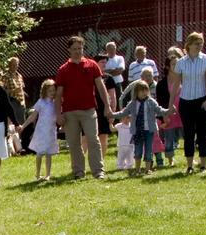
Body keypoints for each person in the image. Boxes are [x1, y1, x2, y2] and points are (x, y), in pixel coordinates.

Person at [55, 35, 111, 179]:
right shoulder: (63, 69)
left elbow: (100, 86)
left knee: (93, 139)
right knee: (74, 144)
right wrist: (58, 114)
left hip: (89, 110)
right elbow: (59, 93)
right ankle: (79, 172)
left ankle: (98, 171)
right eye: (74, 49)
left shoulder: (92, 65)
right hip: (69, 112)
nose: (78, 51)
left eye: (80, 48)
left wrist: (107, 106)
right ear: (69, 50)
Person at [170, 32, 206, 173]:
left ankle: (203, 164)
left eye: (201, 43)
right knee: (188, 134)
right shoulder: (181, 62)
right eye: (196, 43)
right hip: (186, 101)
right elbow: (176, 84)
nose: (199, 46)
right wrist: (171, 103)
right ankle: (189, 165)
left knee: (202, 132)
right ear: (189, 45)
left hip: (202, 100)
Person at [110, 80, 171, 175]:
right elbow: (123, 112)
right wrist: (112, 115)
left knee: (148, 150)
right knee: (137, 151)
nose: (144, 93)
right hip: (137, 131)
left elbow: (159, 110)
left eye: (146, 90)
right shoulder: (133, 103)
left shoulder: (151, 102)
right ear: (136, 92)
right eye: (141, 91)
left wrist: (168, 111)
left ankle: (147, 169)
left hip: (149, 130)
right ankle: (137, 169)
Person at [18, 80, 59, 181]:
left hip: (51, 131)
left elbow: (59, 115)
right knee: (40, 153)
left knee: (49, 153)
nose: (52, 93)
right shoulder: (41, 102)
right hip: (41, 131)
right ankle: (38, 173)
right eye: (50, 91)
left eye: (54, 90)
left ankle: (48, 174)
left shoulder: (56, 103)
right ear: (44, 91)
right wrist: (23, 126)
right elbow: (32, 117)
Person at [3, 57, 28, 140]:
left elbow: (21, 88)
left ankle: (21, 143)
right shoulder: (5, 76)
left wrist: (23, 93)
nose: (15, 66)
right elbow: (3, 91)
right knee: (13, 124)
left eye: (16, 64)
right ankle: (12, 143)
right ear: (9, 65)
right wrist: (14, 91)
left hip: (21, 102)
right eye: (13, 64)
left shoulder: (19, 75)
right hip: (12, 101)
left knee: (21, 123)